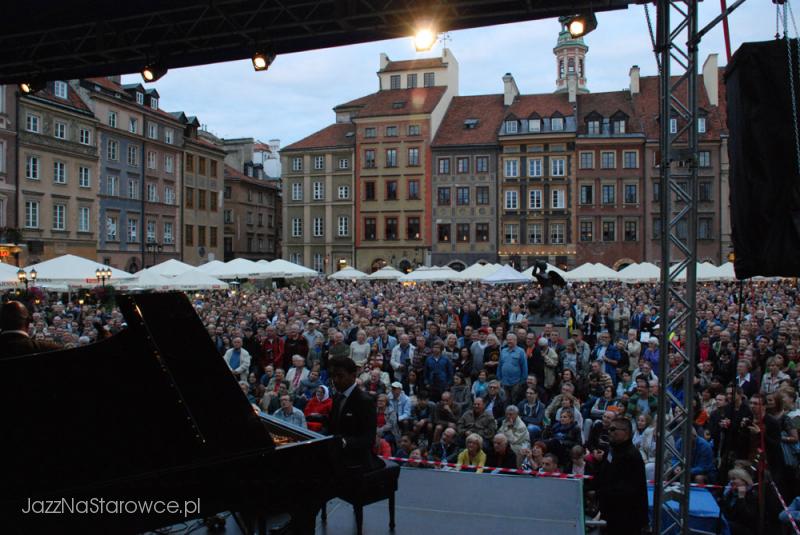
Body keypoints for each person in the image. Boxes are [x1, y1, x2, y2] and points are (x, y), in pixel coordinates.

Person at [591, 416, 648, 535]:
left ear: (626, 432)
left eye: (613, 429)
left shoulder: (631, 456)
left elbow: (631, 489)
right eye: (609, 429)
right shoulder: (613, 450)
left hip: (626, 516)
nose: (609, 432)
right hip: (610, 512)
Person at [328, 357, 379, 470]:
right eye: (333, 376)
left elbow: (369, 439)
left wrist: (345, 442)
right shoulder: (337, 398)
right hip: (336, 460)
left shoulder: (365, 401)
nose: (335, 380)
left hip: (357, 464)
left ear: (353, 376)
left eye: (340, 376)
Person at [719, 467, 758, 535]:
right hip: (730, 524)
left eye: (734, 479)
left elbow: (747, 518)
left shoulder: (752, 495)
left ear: (744, 481)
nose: (731, 482)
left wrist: (741, 498)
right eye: (730, 479)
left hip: (744, 529)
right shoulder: (731, 493)